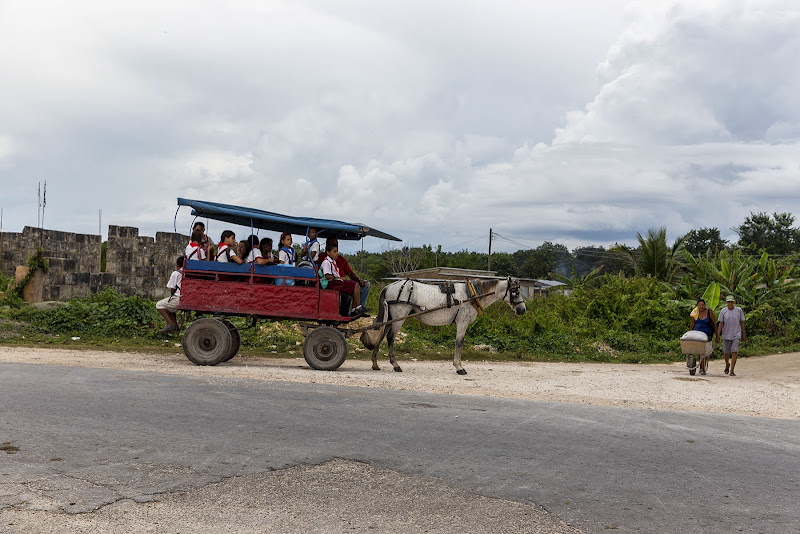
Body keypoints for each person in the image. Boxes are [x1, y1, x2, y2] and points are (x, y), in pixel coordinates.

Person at [317, 237, 370, 312]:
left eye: (336, 251)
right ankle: (357, 308)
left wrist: (359, 279)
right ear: (328, 250)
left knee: (364, 284)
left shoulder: (336, 260)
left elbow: (350, 272)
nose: (336, 253)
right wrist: (340, 278)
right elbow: (327, 275)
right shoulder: (324, 260)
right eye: (334, 251)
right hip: (333, 283)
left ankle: (356, 309)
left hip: (340, 281)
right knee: (354, 285)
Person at [716, 295, 747, 376]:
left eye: (731, 302)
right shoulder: (723, 311)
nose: (730, 303)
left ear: (733, 302)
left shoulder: (739, 310)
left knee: (734, 351)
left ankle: (732, 370)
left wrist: (744, 334)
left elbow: (742, 323)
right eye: (728, 302)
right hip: (726, 334)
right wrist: (718, 335)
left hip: (736, 334)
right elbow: (721, 323)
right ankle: (727, 364)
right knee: (726, 352)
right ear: (726, 302)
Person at [156, 256, 184, 334]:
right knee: (170, 307)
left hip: (179, 298)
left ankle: (171, 324)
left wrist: (172, 293)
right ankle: (175, 327)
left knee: (159, 305)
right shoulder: (189, 273)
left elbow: (172, 289)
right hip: (186, 298)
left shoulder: (176, 273)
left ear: (177, 265)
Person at [689, 298, 716, 375]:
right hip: (697, 334)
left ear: (705, 305)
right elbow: (692, 323)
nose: (701, 306)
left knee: (705, 352)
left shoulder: (709, 312)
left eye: (703, 305)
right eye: (700, 305)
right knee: (699, 351)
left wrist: (717, 335)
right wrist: (690, 333)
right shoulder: (695, 312)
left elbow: (714, 323)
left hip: (707, 334)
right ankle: (701, 368)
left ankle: (703, 367)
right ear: (698, 306)